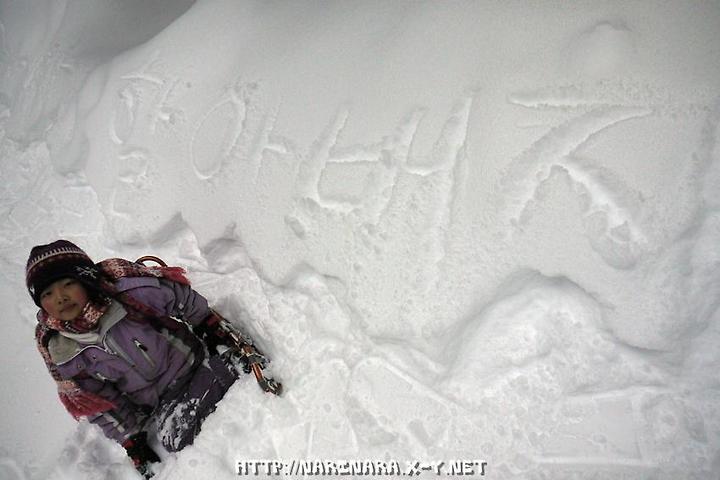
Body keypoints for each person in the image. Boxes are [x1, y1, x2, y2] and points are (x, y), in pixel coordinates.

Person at [26, 240, 241, 476]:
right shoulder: (61, 351)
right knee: (174, 439)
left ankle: (228, 365)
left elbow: (176, 296)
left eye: (68, 284)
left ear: (85, 279)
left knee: (179, 432)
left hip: (189, 363)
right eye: (47, 293)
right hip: (161, 401)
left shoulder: (124, 294)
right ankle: (219, 376)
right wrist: (131, 439)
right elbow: (99, 401)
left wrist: (206, 323)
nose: (60, 297)